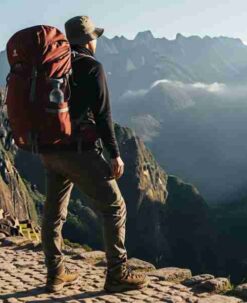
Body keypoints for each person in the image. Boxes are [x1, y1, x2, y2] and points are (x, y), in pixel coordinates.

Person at [39, 16, 148, 293]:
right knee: (114, 207)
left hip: (50, 149)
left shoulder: (51, 65)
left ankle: (55, 274)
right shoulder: (91, 66)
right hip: (79, 152)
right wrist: (114, 155)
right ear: (89, 40)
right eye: (95, 37)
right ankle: (117, 273)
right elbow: (103, 116)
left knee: (53, 214)